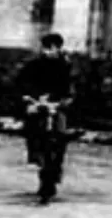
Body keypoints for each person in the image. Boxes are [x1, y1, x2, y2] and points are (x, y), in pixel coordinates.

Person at [15, 32, 74, 169]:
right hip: (37, 100)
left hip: (58, 102)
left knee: (61, 131)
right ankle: (34, 154)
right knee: (31, 123)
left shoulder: (65, 65)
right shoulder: (34, 64)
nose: (49, 51)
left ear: (59, 48)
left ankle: (57, 161)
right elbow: (23, 82)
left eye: (53, 47)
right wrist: (30, 97)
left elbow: (70, 85)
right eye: (46, 47)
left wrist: (64, 99)